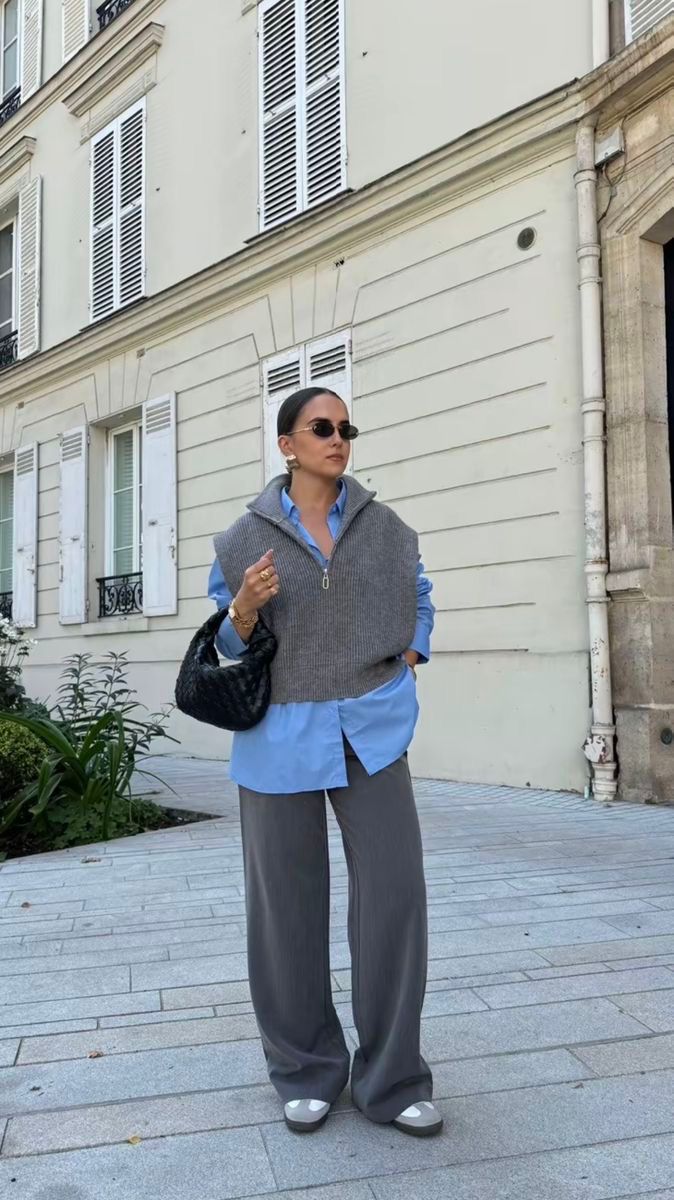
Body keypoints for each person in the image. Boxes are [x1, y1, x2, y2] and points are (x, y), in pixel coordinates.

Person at [207, 385, 443, 1138]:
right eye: (321, 427)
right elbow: (227, 644)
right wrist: (245, 607)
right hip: (278, 735)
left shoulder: (387, 527)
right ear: (288, 445)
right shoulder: (242, 539)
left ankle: (392, 1079)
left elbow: (420, 597)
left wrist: (409, 655)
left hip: (371, 726)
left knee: (395, 892)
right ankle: (305, 1069)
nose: (338, 438)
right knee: (285, 906)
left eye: (346, 427)